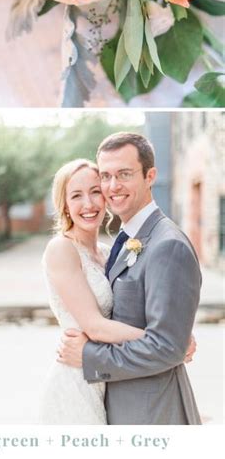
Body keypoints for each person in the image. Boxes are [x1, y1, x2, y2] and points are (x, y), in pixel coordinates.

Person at [58, 133, 201, 425]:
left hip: (151, 412)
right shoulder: (123, 242)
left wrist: (89, 357)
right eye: (106, 176)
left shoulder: (167, 245)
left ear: (150, 176)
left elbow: (165, 347)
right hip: (113, 404)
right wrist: (176, 339)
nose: (113, 187)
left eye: (124, 174)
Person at [40, 159, 147, 423]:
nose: (88, 204)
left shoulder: (108, 252)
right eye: (76, 195)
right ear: (64, 205)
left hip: (107, 374)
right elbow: (95, 326)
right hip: (76, 381)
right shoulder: (61, 249)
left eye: (95, 191)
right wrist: (165, 341)